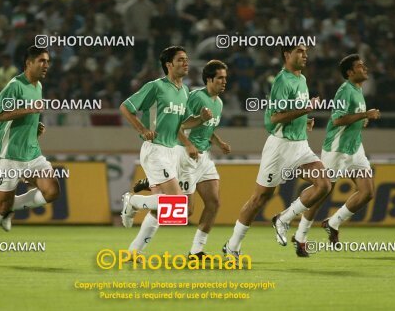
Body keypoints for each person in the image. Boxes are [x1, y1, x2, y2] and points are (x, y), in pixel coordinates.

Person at [223, 44, 332, 259]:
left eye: (306, 52)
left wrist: (304, 121)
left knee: (324, 184)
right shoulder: (282, 81)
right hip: (280, 147)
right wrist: (306, 109)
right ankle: (232, 246)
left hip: (300, 144)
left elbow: (293, 112)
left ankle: (283, 219)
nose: (305, 55)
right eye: (300, 51)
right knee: (259, 199)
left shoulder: (301, 79)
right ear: (287, 55)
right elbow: (276, 117)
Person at [132, 60, 231, 258]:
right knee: (183, 212)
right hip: (185, 157)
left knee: (214, 203)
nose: (224, 82)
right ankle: (137, 237)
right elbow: (178, 125)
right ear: (209, 79)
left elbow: (206, 128)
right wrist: (188, 144)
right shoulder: (195, 97)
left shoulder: (218, 103)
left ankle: (196, 251)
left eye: (225, 78)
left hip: (204, 158)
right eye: (220, 78)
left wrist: (219, 142)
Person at [119, 46, 212, 257]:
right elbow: (125, 107)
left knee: (171, 211)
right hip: (155, 150)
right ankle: (131, 201)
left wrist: (201, 120)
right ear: (169, 65)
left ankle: (134, 251)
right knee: (177, 204)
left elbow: (183, 123)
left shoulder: (185, 91)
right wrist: (142, 129)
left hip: (171, 152)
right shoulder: (155, 87)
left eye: (187, 59)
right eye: (181, 60)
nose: (186, 63)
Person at [0, 46, 59, 266]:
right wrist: (29, 110)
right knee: (1, 206)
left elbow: (25, 117)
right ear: (28, 63)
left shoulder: (38, 86)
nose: (46, 65)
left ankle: (12, 207)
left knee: (52, 190)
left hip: (32, 153)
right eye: (41, 61)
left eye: (47, 61)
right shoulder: (14, 86)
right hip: (10, 155)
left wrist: (35, 126)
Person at [292, 54, 380, 256]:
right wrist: (365, 115)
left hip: (355, 150)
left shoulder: (358, 90)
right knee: (321, 192)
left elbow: (351, 119)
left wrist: (361, 121)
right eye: (360, 66)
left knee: (367, 192)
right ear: (350, 72)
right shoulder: (344, 91)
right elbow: (338, 120)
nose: (364, 68)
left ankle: (333, 223)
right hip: (337, 150)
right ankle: (300, 236)